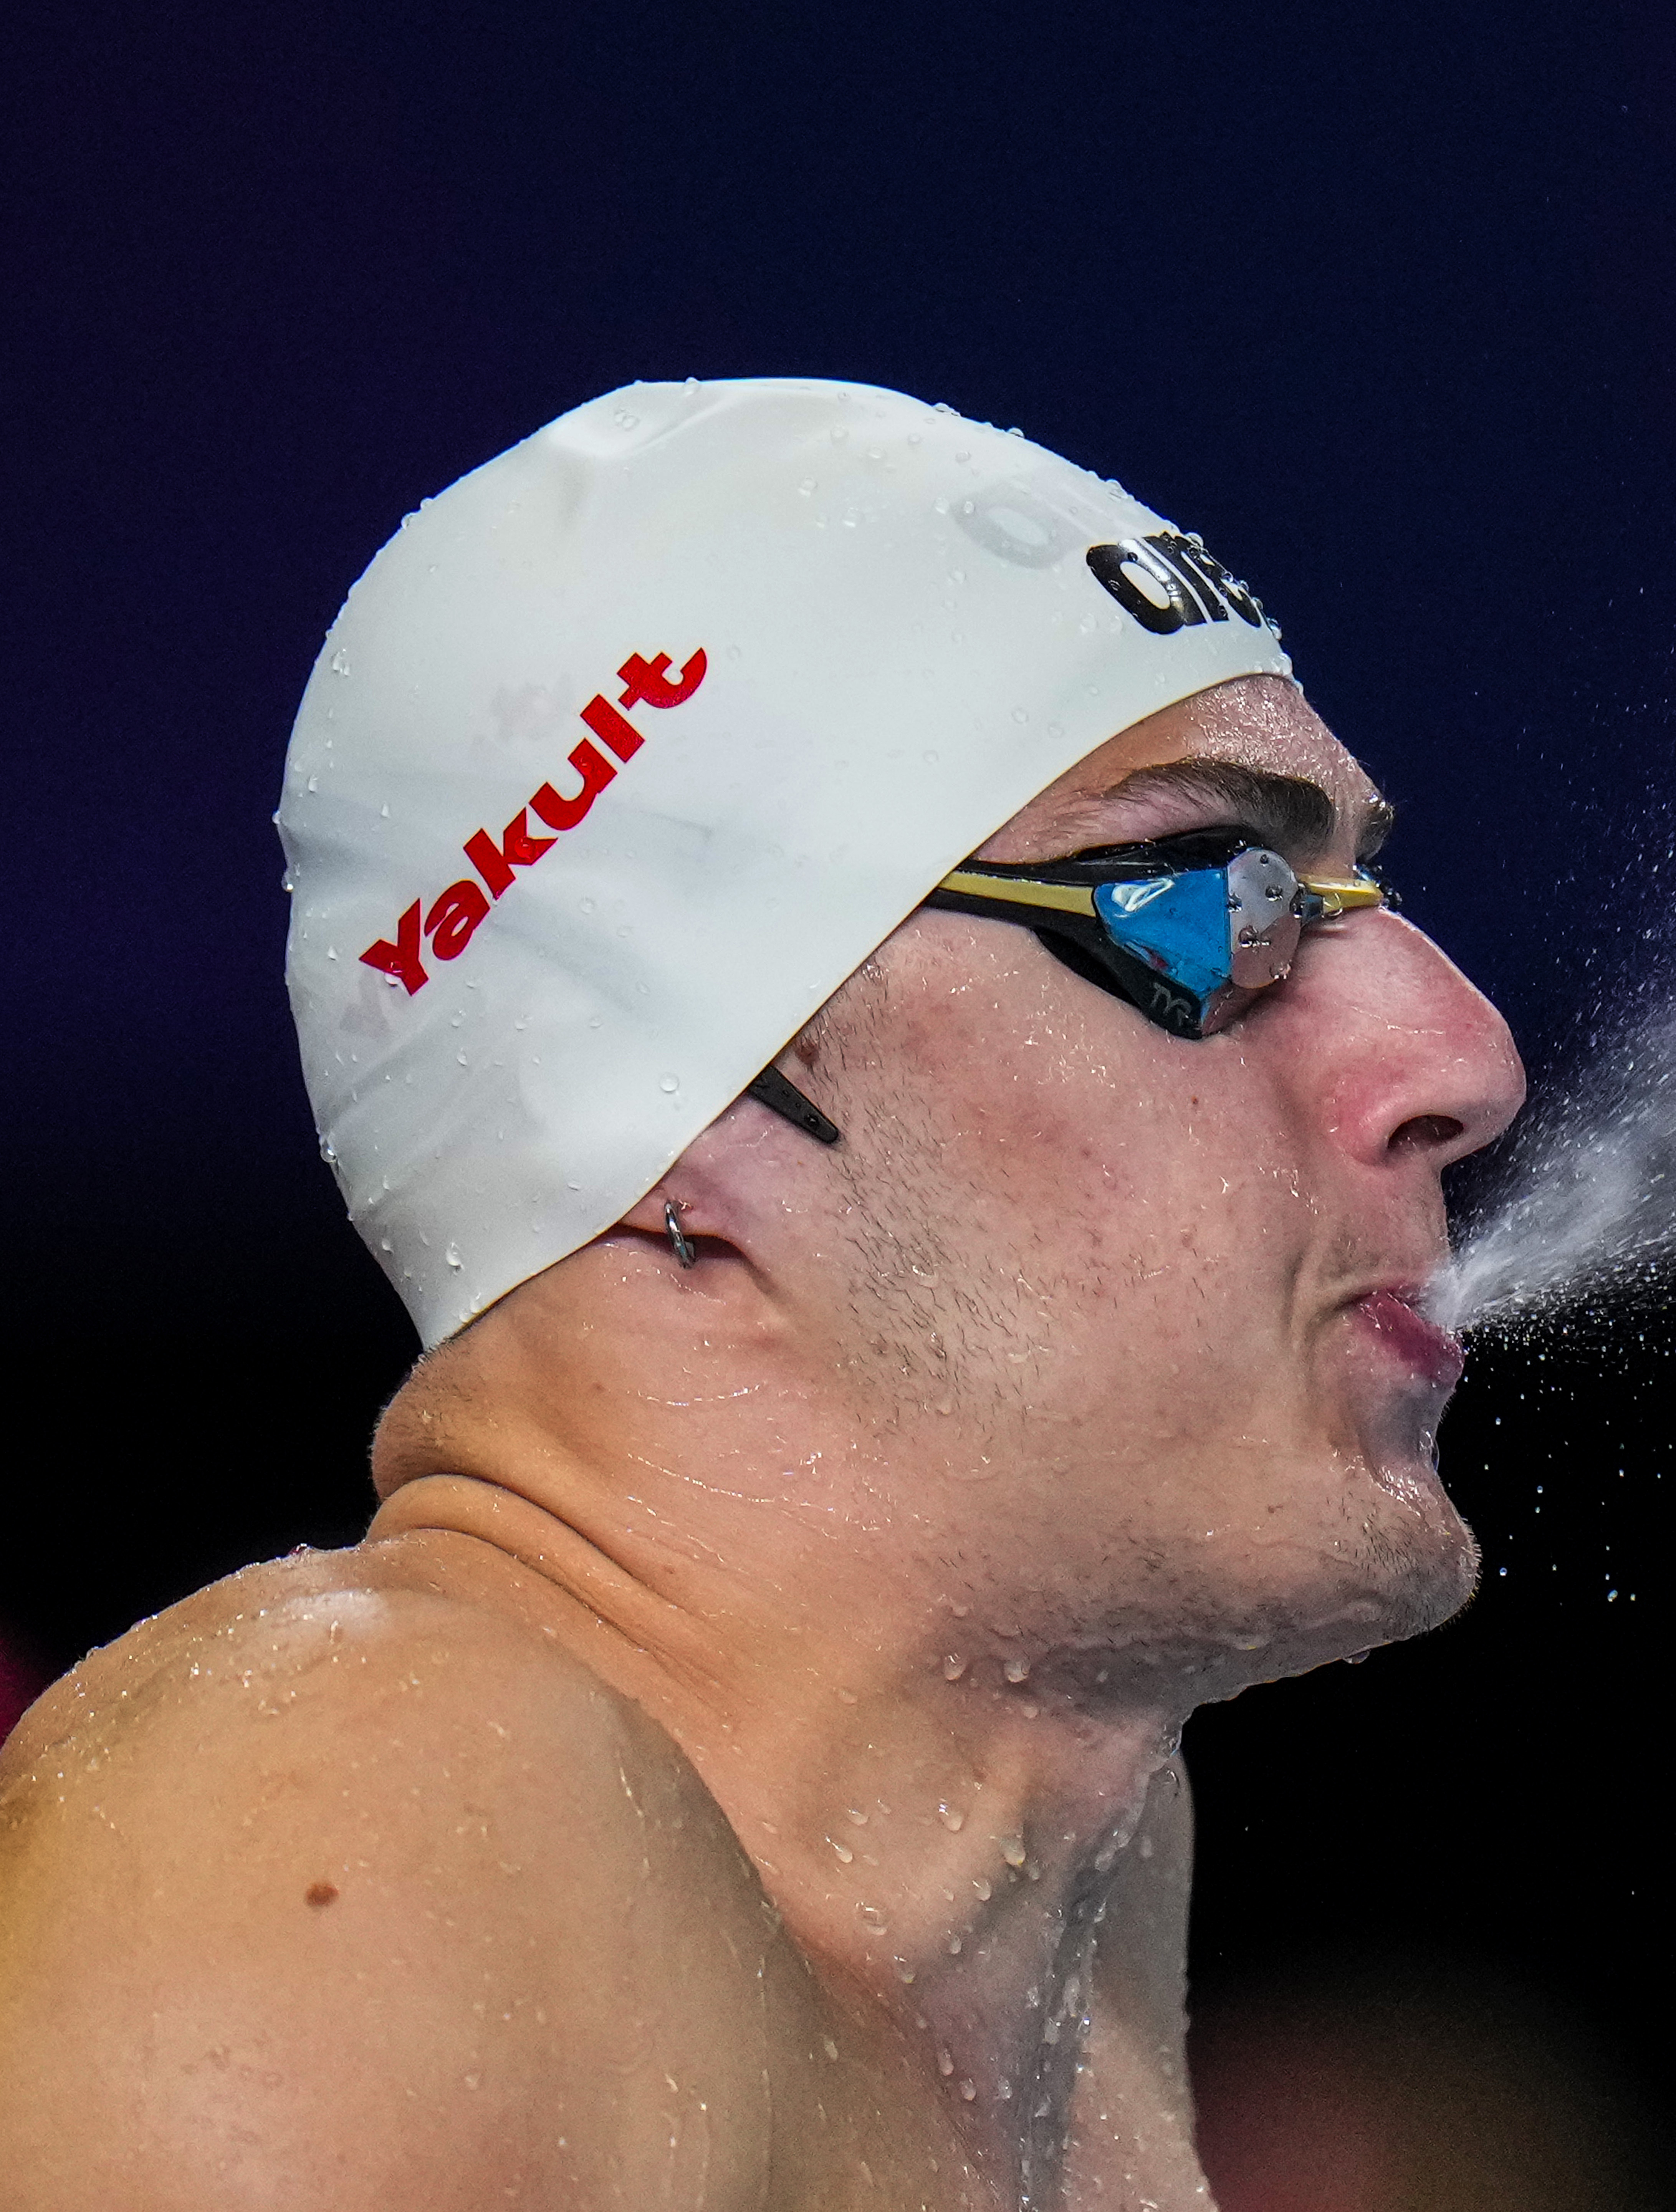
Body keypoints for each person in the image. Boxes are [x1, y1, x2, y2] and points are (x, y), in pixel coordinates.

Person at [0, 379, 1524, 2206]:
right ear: (676, 1112)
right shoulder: (356, 1817)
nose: (1462, 1052)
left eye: (1360, 899)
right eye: (1204, 903)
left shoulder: (1053, 1915)